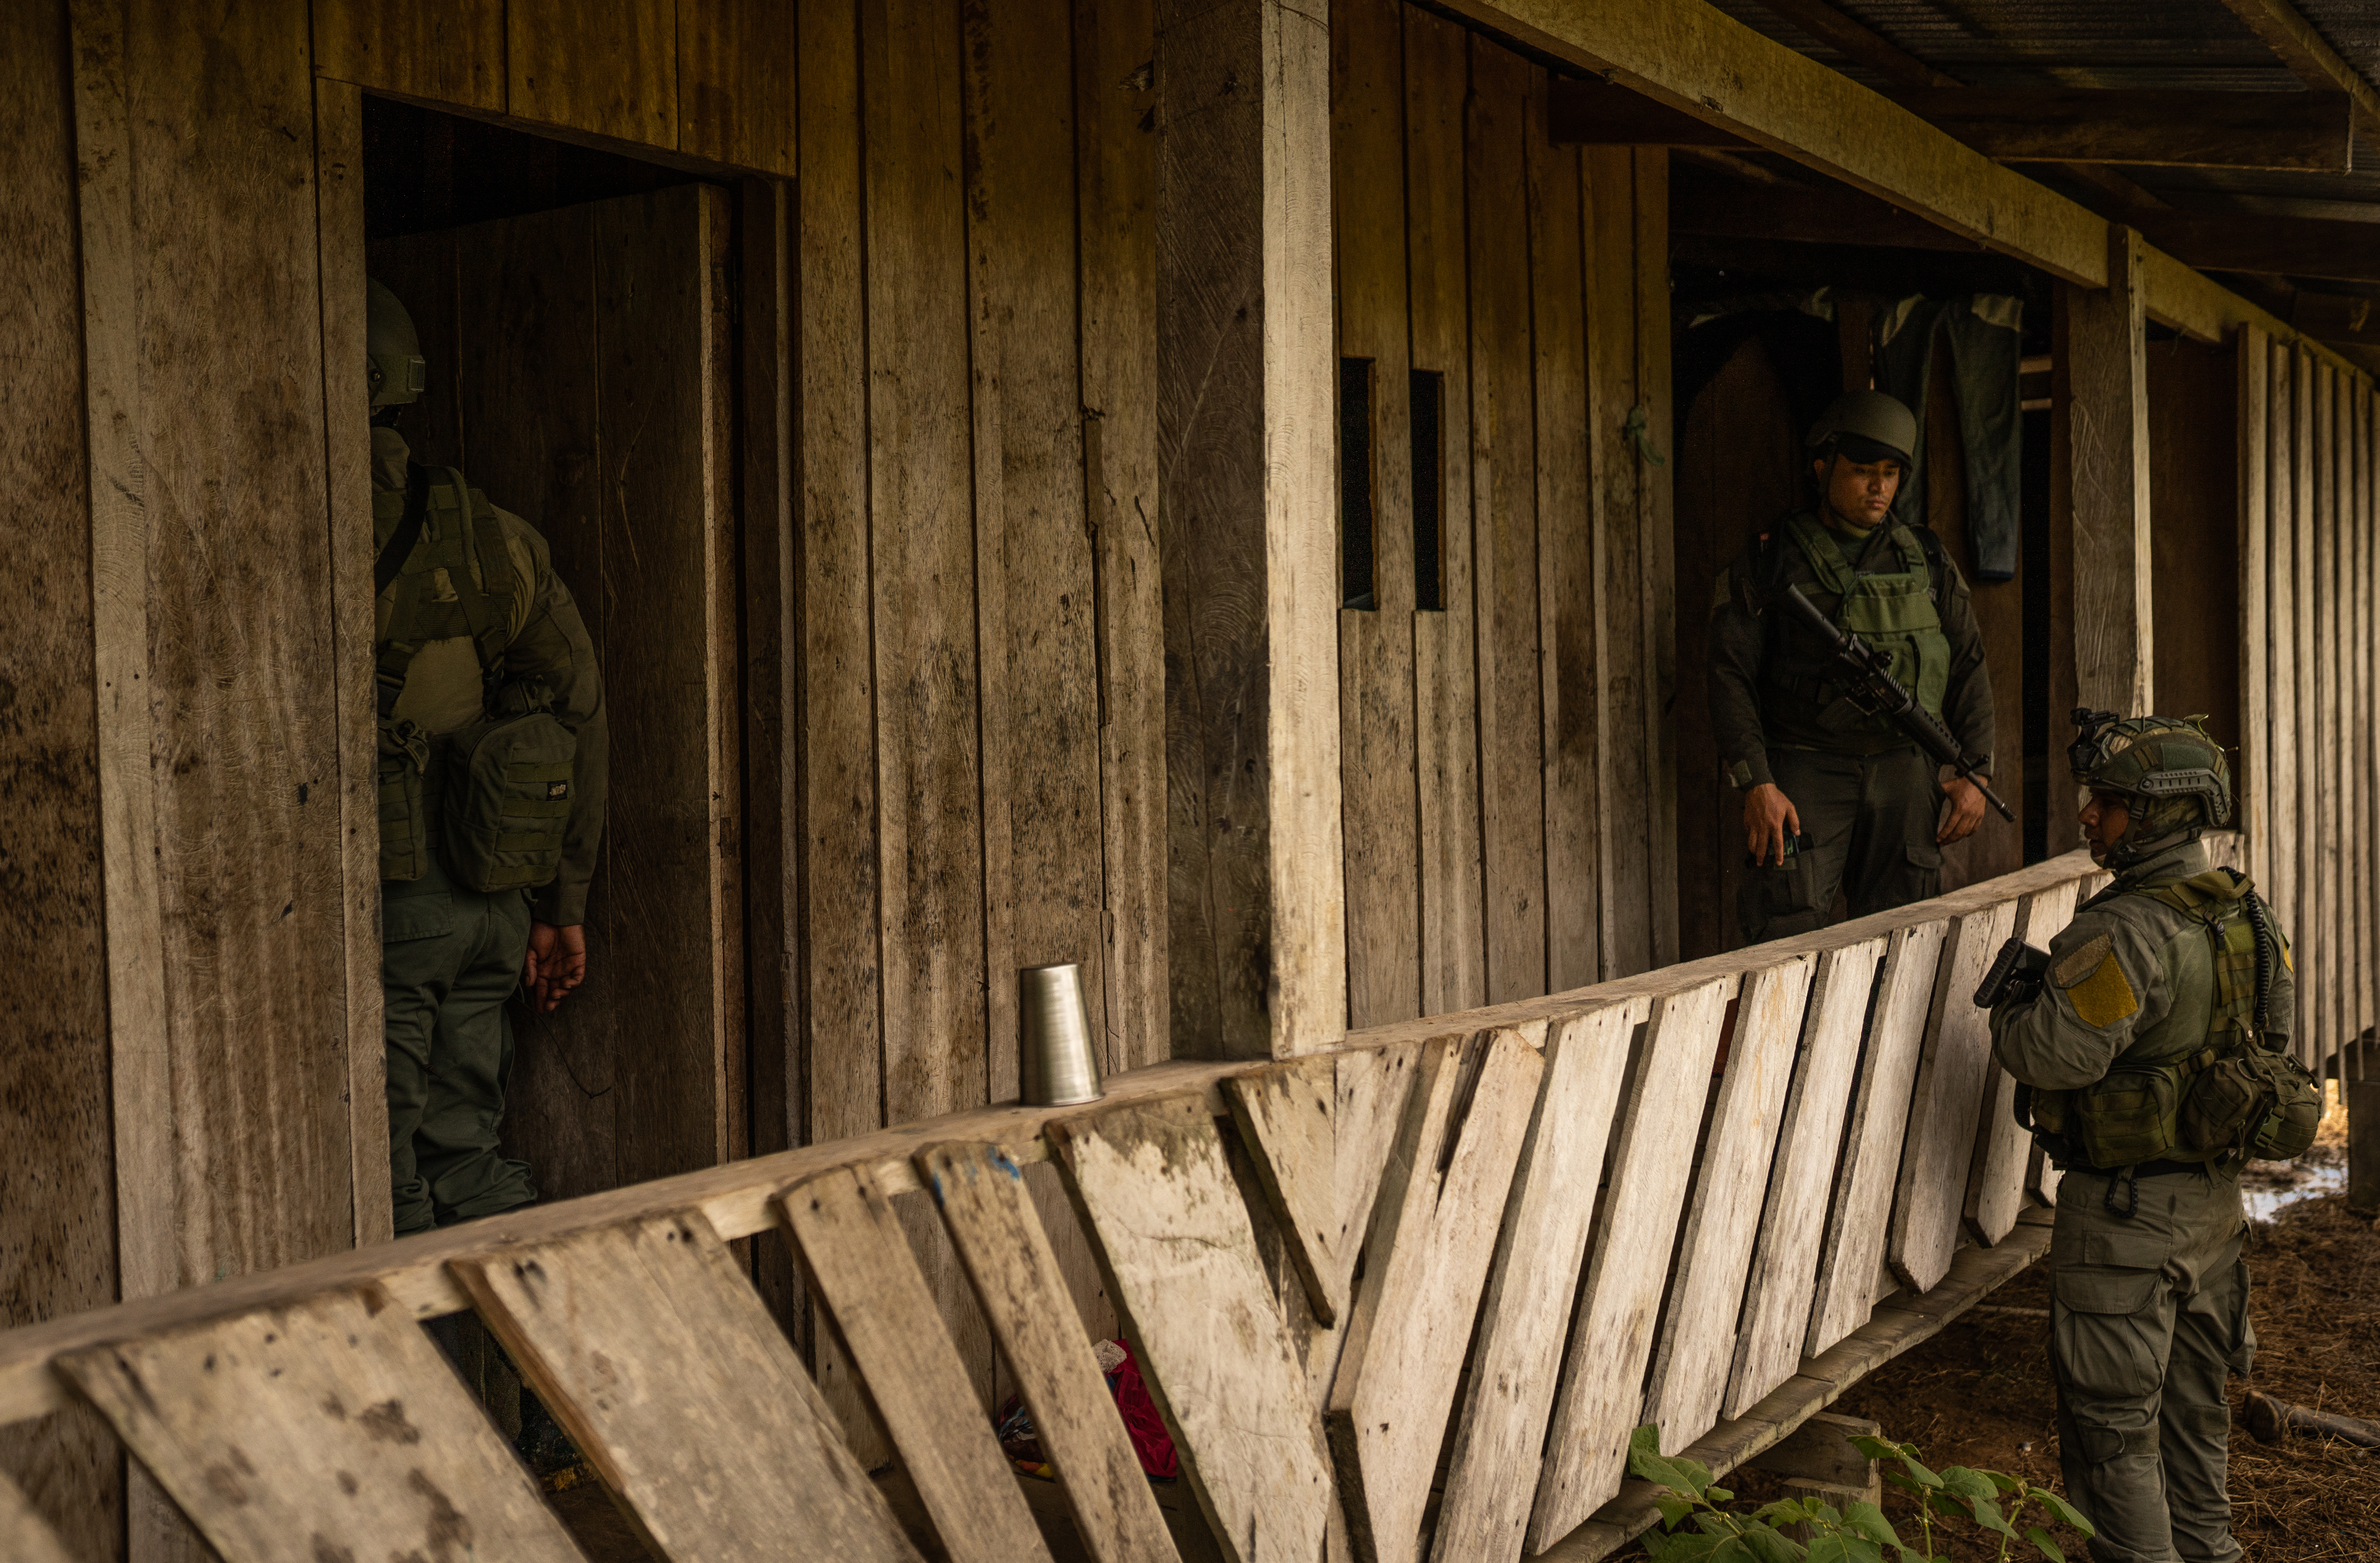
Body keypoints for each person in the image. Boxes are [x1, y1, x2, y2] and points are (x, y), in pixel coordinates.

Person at [1990, 712, 2311, 1563]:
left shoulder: (2123, 929)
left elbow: (2049, 1055)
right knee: (2194, 1419)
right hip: (2212, 1213)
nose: (2090, 817)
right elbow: (2272, 1042)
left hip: (2124, 1219)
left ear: (2163, 813)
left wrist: (2016, 1007)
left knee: (2111, 1441)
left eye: (2111, 803)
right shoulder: (2243, 910)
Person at [367, 276, 606, 1238]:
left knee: (380, 1203)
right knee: (468, 1173)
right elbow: (579, 706)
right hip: (493, 911)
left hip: (387, 920)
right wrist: (563, 907)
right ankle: (518, 1387)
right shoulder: (492, 537)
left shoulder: (285, 525)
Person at [1708, 390, 1997, 944]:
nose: (1879, 487)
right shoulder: (1772, 559)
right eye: (1864, 470)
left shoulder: (1927, 559)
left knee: (1905, 938)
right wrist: (1756, 782)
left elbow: (1967, 666)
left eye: (1890, 473)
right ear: (1822, 469)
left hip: (1904, 772)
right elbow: (1729, 675)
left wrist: (1977, 772)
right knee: (1785, 935)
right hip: (1804, 773)